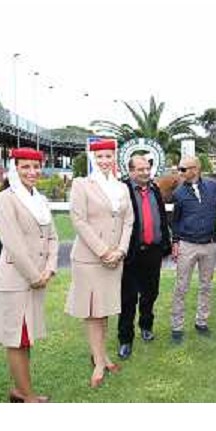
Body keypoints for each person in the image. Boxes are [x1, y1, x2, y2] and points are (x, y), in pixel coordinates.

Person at [0, 147, 58, 403]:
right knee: (17, 339)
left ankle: (20, 391)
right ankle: (27, 396)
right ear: (15, 168)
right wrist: (34, 275)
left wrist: (49, 268)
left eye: (36, 166)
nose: (32, 172)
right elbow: (14, 244)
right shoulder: (5, 199)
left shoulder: (39, 199)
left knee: (26, 339)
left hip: (37, 278)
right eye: (25, 167)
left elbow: (53, 237)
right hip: (16, 281)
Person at [66, 139, 134, 387]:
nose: (104, 161)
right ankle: (97, 362)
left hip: (116, 259)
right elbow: (79, 220)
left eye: (108, 156)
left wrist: (121, 250)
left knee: (104, 309)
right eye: (100, 157)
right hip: (90, 259)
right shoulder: (81, 184)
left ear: (114, 158)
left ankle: (103, 355)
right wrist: (104, 251)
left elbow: (128, 221)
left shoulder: (122, 188)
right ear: (92, 159)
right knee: (93, 312)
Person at [169, 156, 216, 343]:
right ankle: (177, 327)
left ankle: (201, 322)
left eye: (183, 169)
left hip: (210, 245)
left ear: (195, 169)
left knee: (206, 286)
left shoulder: (213, 186)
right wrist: (175, 242)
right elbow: (175, 221)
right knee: (181, 287)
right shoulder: (179, 193)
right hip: (187, 245)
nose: (180, 173)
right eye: (180, 169)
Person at [117, 155, 171, 359]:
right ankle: (125, 339)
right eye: (140, 169)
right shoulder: (122, 190)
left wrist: (165, 242)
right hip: (131, 253)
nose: (145, 173)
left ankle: (146, 326)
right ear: (130, 171)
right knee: (128, 299)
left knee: (151, 293)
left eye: (147, 168)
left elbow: (162, 217)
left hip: (154, 251)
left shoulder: (155, 189)